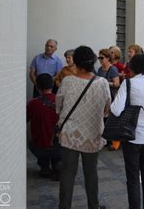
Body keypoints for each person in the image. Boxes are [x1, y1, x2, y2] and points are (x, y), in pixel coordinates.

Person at [56, 46, 110, 209]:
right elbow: (107, 110)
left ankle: (64, 206)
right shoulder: (102, 83)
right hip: (93, 134)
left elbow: (58, 106)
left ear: (76, 63)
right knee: (91, 173)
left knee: (67, 174)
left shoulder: (67, 81)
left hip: (70, 134)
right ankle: (94, 206)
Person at [111, 54, 144, 209]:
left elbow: (116, 109)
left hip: (132, 136)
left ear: (133, 66)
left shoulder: (128, 83)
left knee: (133, 177)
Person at [27, 73, 61, 180]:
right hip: (60, 146)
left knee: (32, 141)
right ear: (52, 85)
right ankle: (57, 165)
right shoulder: (61, 101)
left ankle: (44, 166)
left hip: (40, 147)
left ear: (37, 87)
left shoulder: (33, 104)